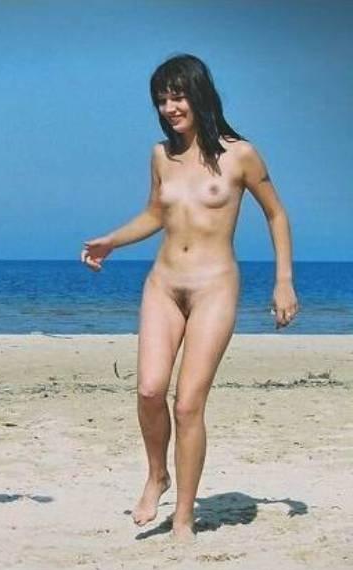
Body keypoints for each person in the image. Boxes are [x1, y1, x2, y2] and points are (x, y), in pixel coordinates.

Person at [81, 54, 299, 540]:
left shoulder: (241, 155)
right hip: (163, 284)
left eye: (177, 96)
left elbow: (277, 214)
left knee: (187, 405)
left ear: (199, 95)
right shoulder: (161, 155)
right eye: (161, 100)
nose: (169, 107)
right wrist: (113, 240)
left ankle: (184, 515)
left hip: (214, 287)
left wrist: (283, 280)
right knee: (149, 391)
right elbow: (155, 214)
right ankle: (157, 475)